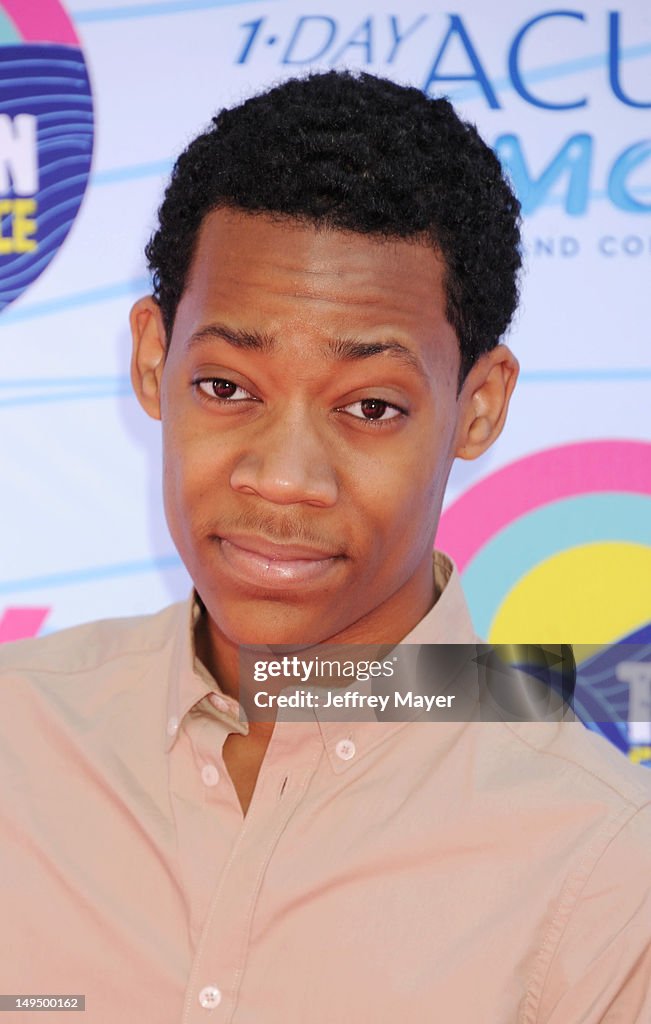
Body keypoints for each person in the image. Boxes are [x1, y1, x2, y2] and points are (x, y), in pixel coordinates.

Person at [1, 70, 649, 1024]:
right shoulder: (18, 735)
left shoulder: (601, 862)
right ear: (153, 360)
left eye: (371, 407)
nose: (285, 476)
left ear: (479, 407)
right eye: (227, 387)